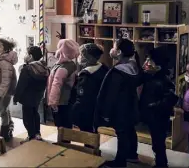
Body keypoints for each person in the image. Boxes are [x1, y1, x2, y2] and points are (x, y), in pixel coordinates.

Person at [95, 39, 142, 167]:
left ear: (119, 52)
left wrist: (105, 113)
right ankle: (132, 155)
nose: (112, 49)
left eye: (114, 47)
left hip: (120, 109)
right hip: (131, 106)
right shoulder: (134, 66)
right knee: (130, 131)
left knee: (122, 134)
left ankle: (120, 161)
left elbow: (111, 95)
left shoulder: (118, 72)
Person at [140, 46, 178, 168]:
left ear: (158, 65)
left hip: (159, 117)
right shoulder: (151, 77)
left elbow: (171, 99)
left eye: (149, 61)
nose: (146, 63)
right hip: (152, 116)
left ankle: (162, 164)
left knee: (158, 143)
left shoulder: (164, 80)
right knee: (156, 142)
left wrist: (153, 106)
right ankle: (160, 162)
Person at [13, 46, 49, 143]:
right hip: (38, 96)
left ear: (30, 56)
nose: (25, 56)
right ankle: (37, 133)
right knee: (35, 114)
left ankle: (31, 135)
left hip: (27, 97)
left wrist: (16, 97)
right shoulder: (44, 67)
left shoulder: (27, 69)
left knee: (27, 117)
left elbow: (21, 85)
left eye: (26, 54)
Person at [72, 43, 108, 133]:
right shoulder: (103, 69)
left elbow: (82, 97)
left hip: (86, 112)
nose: (79, 57)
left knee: (87, 133)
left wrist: (74, 113)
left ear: (90, 58)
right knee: (92, 131)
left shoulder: (87, 75)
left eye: (82, 55)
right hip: (98, 110)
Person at [46, 39, 80, 129]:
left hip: (61, 101)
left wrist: (53, 102)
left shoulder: (63, 68)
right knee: (65, 123)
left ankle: (63, 142)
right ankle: (64, 141)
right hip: (66, 100)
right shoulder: (71, 64)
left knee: (62, 124)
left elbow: (56, 85)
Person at [0, 38, 18, 141]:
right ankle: (8, 128)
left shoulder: (5, 63)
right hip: (2, 92)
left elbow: (6, 81)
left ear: (5, 49)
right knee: (5, 110)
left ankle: (4, 133)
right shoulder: (0, 60)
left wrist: (0, 94)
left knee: (2, 112)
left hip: (4, 93)